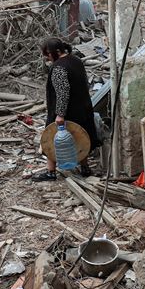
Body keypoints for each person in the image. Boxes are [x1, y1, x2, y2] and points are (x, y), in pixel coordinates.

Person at [32, 38, 101, 182]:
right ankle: (85, 167)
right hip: (83, 107)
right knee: (82, 137)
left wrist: (60, 114)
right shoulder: (76, 60)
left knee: (51, 138)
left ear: (57, 52)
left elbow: (63, 93)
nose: (47, 58)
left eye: (48, 55)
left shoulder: (59, 68)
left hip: (67, 111)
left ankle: (51, 172)